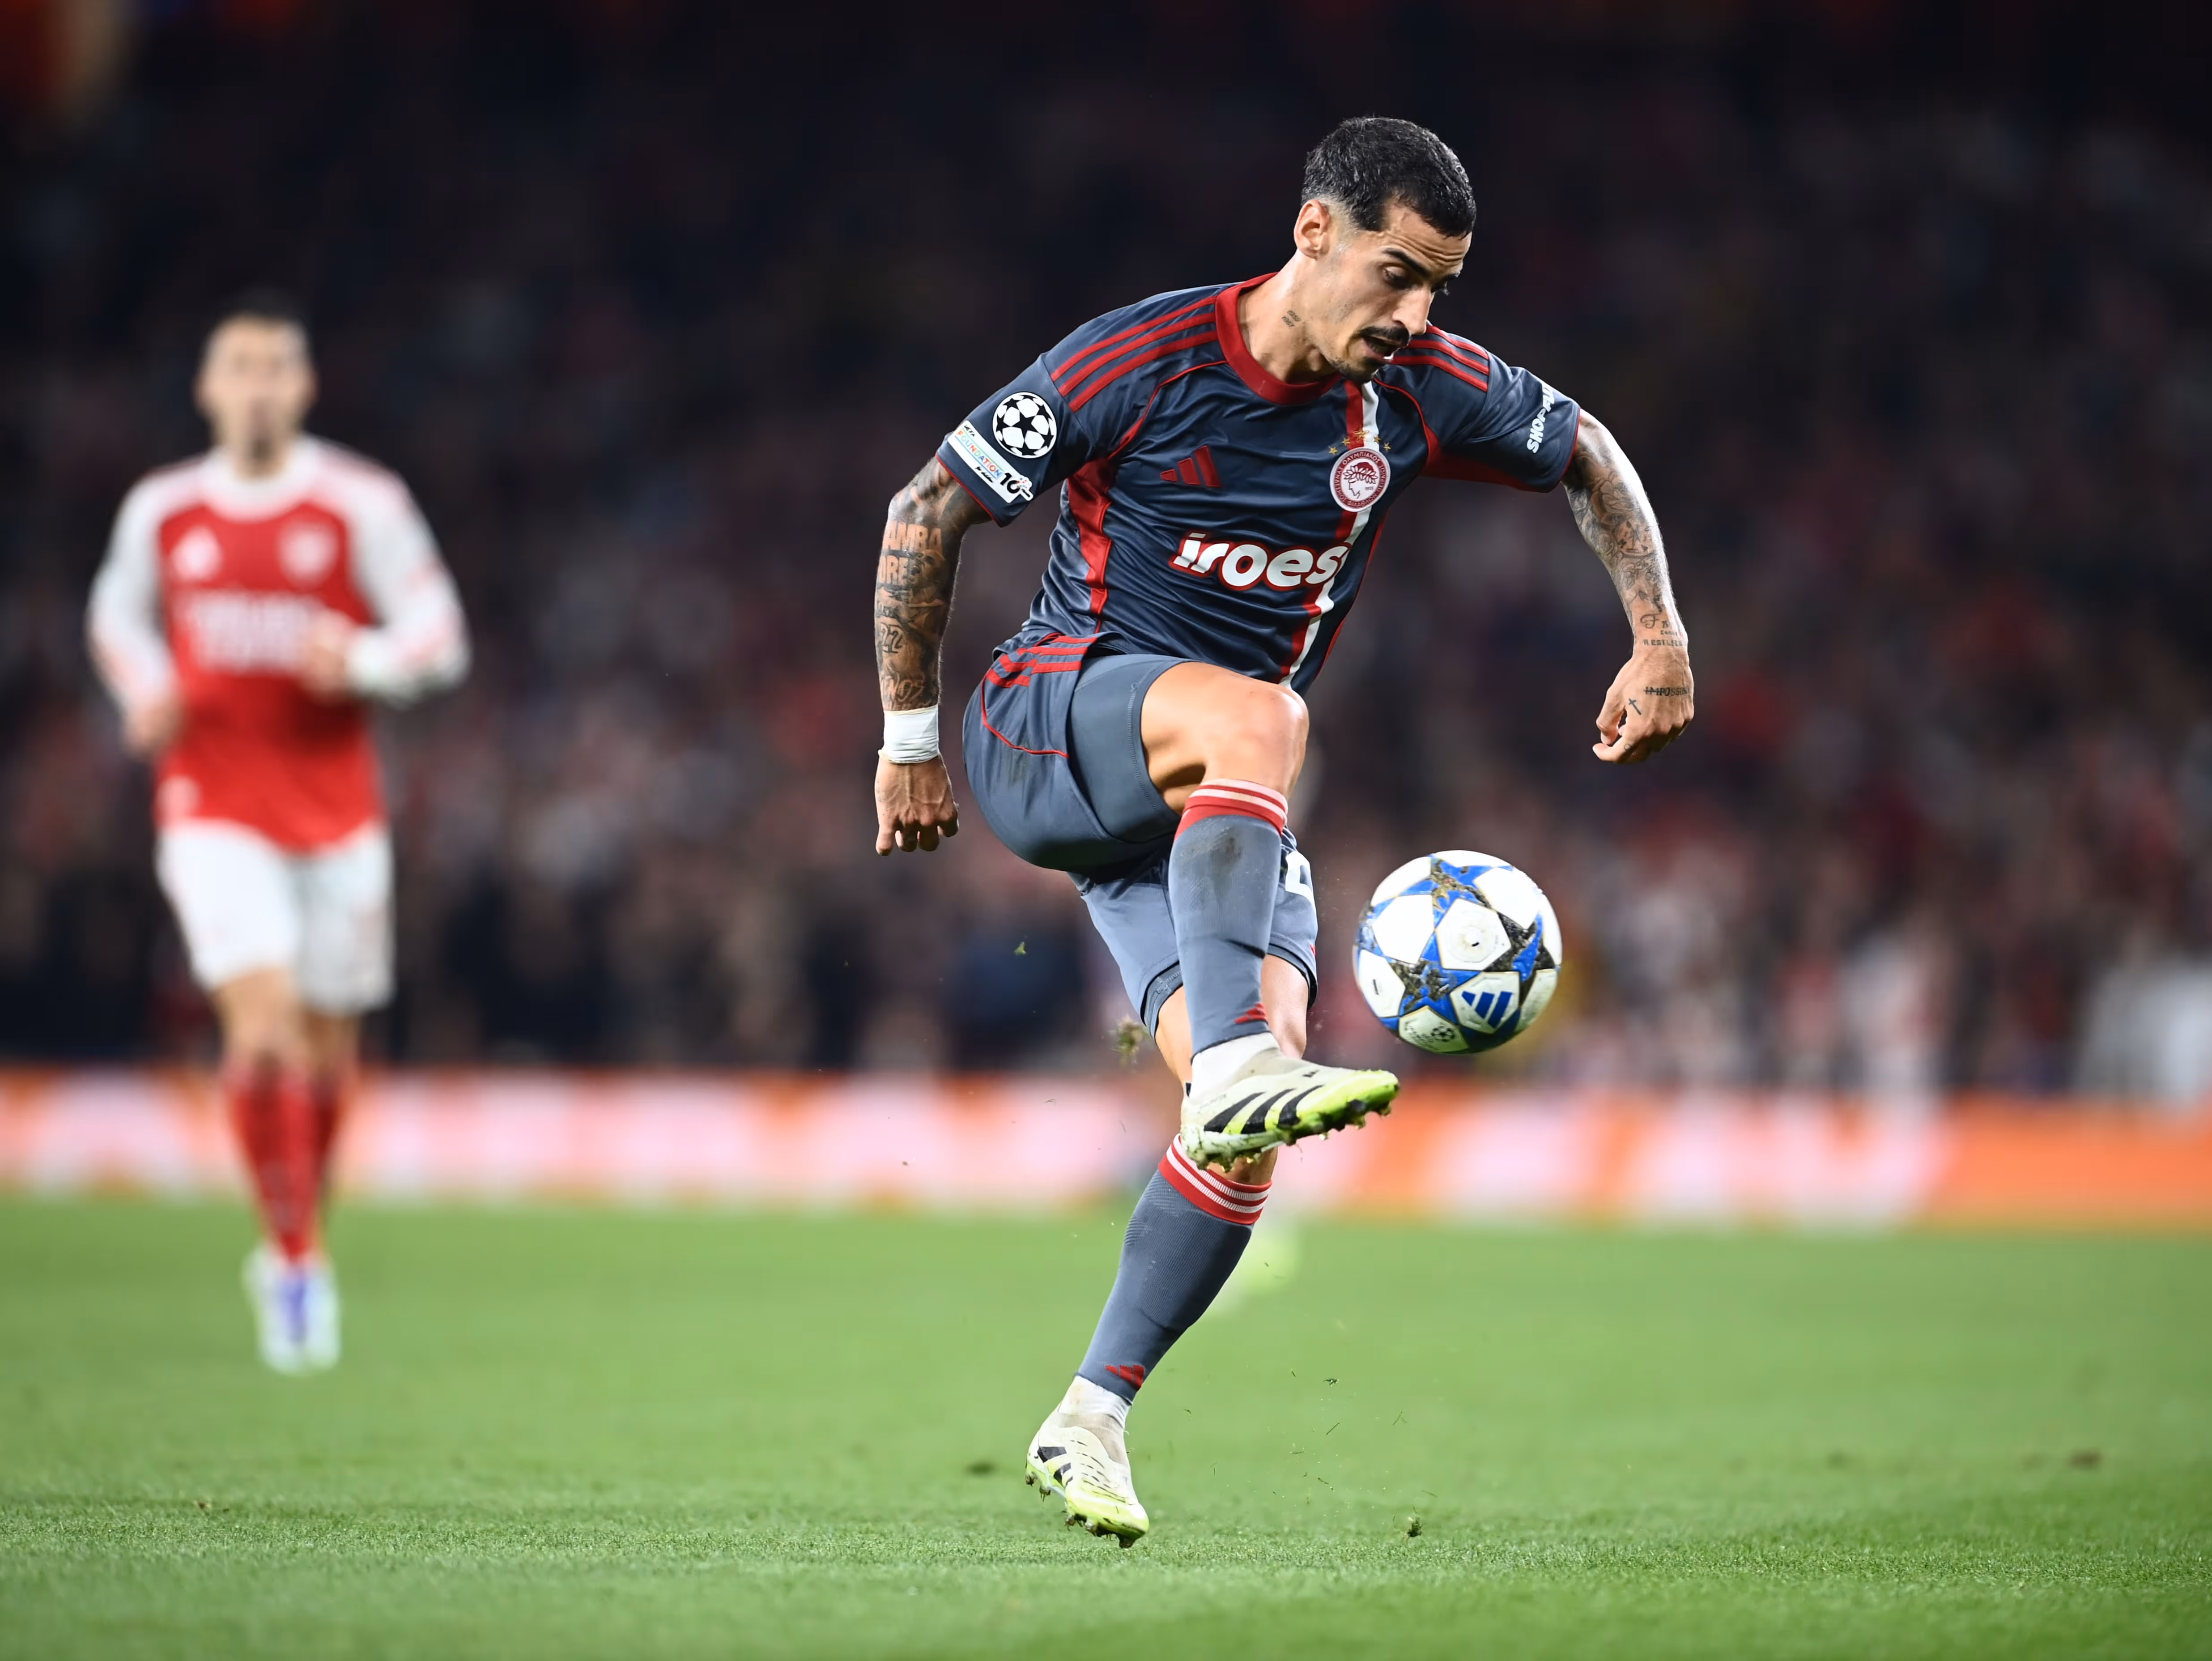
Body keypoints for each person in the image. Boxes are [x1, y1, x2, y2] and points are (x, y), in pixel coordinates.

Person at [870, 118, 1693, 1542]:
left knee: (1245, 1124)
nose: (1419, 315)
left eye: (1441, 286)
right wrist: (905, 742)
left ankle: (1092, 1416)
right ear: (1314, 232)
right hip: (1045, 722)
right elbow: (928, 507)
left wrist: (1660, 632)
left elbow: (1589, 453)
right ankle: (1242, 1052)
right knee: (1269, 721)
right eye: (1396, 274)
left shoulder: (1421, 392)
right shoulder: (1144, 358)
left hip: (1190, 812)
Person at [86, 292, 469, 1374]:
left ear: (303, 386)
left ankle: (301, 1240)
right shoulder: (163, 510)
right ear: (209, 388)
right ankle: (293, 1258)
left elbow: (441, 637)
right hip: (210, 802)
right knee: (260, 1031)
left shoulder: (361, 502)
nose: (256, 385)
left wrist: (366, 661)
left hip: (338, 809)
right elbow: (115, 615)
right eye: (237, 366)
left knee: (330, 1050)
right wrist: (148, 683)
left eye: (275, 367)